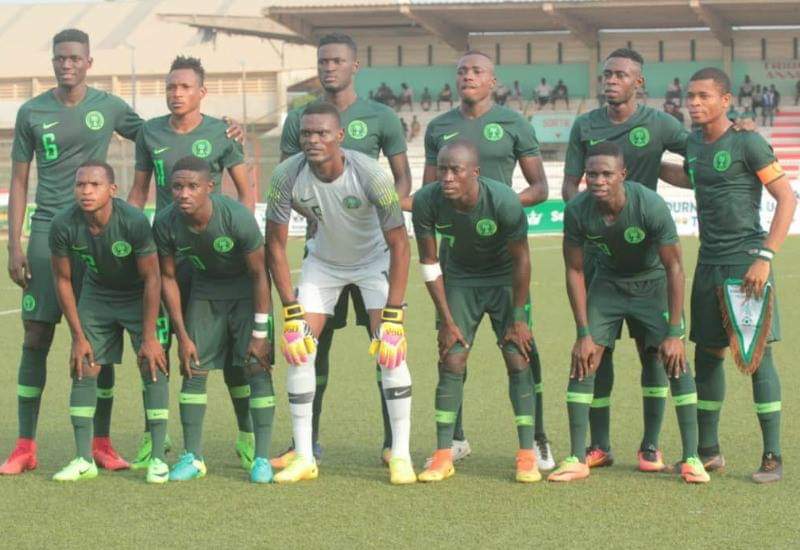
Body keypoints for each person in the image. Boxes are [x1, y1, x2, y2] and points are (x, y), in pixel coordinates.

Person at [1, 28, 142, 474]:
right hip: (47, 232)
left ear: (88, 63)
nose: (67, 64)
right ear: (53, 61)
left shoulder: (109, 106)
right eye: (60, 57)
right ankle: (25, 446)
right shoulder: (32, 111)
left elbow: (157, 137)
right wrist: (15, 244)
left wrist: (219, 127)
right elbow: (20, 180)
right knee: (36, 336)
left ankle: (101, 442)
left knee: (100, 338)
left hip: (96, 235)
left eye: (75, 58)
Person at [275, 33, 412, 468]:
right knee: (311, 349)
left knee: (385, 346)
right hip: (325, 254)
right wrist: (320, 213)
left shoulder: (381, 116)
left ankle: (393, 446)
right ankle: (305, 445)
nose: (329, 67)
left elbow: (401, 179)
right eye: (323, 61)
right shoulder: (298, 119)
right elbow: (290, 180)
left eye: (337, 61)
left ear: (355, 66)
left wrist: (380, 209)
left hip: (373, 250)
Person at [660, 67, 796, 483]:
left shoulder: (747, 141)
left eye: (704, 96)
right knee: (707, 354)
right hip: (708, 264)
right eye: (691, 96)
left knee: (758, 356)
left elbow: (787, 198)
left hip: (745, 262)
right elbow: (693, 177)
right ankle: (708, 451)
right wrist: (648, 163)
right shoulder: (693, 144)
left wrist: (765, 256)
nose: (694, 103)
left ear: (726, 101)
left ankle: (772, 455)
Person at [418, 50, 552, 470]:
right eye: (462, 71)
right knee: (452, 349)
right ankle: (455, 439)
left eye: (477, 71)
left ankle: (538, 439)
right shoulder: (438, 127)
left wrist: (499, 206)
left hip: (504, 254)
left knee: (521, 348)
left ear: (493, 81)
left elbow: (540, 187)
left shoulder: (514, 123)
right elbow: (429, 193)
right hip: (459, 262)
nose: (468, 76)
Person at [562, 48, 692, 472]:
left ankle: (650, 446)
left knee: (652, 352)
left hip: (644, 255)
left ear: (639, 82)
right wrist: (587, 219)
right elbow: (569, 185)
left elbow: (701, 159)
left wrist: (665, 172)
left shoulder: (660, 123)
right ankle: (598, 445)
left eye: (620, 74)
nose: (611, 81)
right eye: (607, 74)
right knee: (595, 352)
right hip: (598, 256)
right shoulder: (585, 125)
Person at [548, 143, 708, 484]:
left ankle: (691, 458)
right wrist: (583, 332)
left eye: (607, 174)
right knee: (584, 358)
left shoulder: (649, 205)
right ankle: (577, 457)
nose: (598, 181)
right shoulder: (577, 210)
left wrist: (675, 332)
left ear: (623, 174)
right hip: (607, 285)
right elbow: (574, 270)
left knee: (674, 361)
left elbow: (675, 267)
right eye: (592, 174)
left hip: (652, 284)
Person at [127, 54, 255, 470]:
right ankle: (155, 436)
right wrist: (129, 235)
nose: (176, 93)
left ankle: (246, 434)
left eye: (184, 87)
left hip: (212, 262)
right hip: (166, 254)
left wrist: (237, 237)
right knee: (157, 344)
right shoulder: (150, 133)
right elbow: (139, 191)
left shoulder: (223, 132)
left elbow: (245, 191)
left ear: (202, 92)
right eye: (170, 87)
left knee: (229, 352)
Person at [413, 141, 541, 484]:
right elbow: (429, 262)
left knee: (517, 356)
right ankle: (444, 454)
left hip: (504, 279)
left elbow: (522, 259)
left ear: (475, 172)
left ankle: (527, 454)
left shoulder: (504, 201)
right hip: (459, 279)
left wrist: (518, 317)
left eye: (456, 170)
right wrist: (446, 320)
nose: (447, 177)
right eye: (442, 169)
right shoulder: (426, 201)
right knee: (452, 358)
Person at [153, 156, 275, 483]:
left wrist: (260, 332)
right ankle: (193, 457)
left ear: (210, 187)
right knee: (193, 368)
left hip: (246, 294)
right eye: (177, 187)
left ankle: (262, 458)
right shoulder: (164, 222)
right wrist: (182, 335)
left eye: (192, 186)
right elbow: (167, 278)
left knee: (256, 367)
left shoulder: (236, 217)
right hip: (205, 293)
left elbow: (259, 274)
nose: (184, 194)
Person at [49, 161, 168, 484]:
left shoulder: (133, 221)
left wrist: (149, 337)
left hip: (138, 294)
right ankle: (83, 459)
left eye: (95, 185)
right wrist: (77, 336)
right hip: (97, 294)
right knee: (84, 366)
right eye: (80, 185)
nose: (86, 191)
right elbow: (62, 280)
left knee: (152, 364)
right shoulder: (63, 224)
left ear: (112, 190)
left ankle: (158, 458)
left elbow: (153, 278)